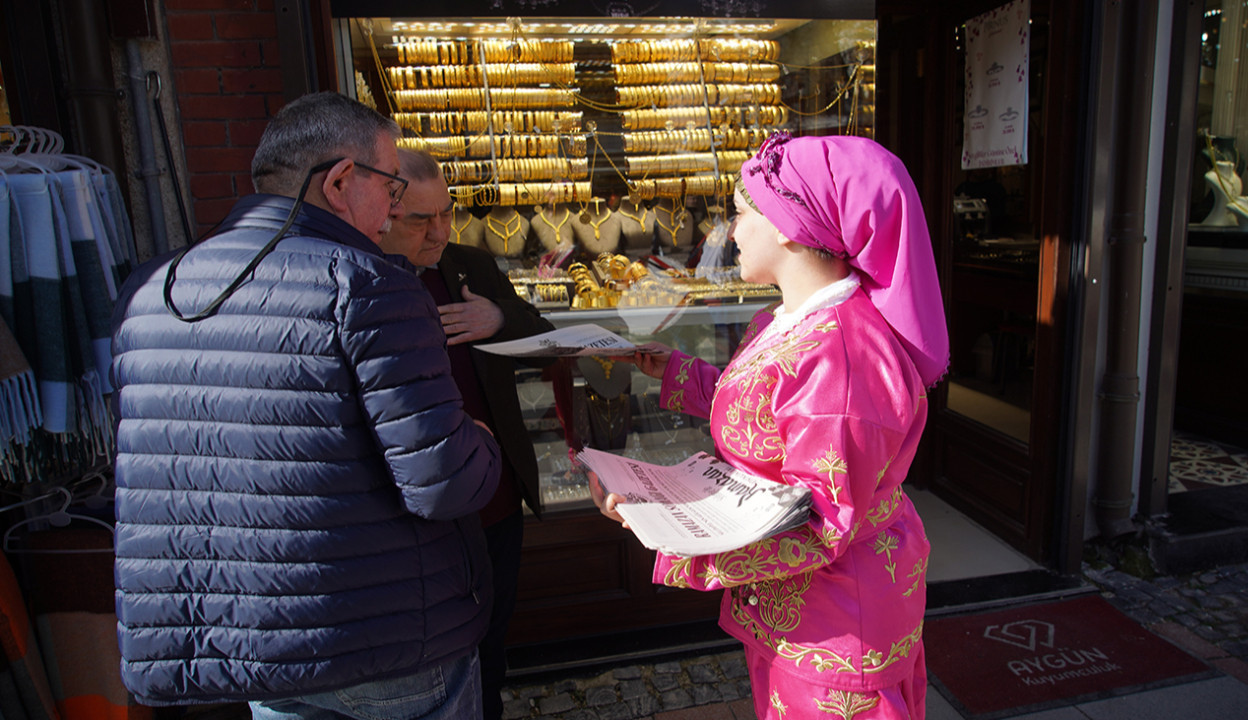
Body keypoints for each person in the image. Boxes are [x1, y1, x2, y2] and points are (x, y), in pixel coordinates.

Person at [110, 91, 502, 719]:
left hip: (246, 638)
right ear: (343, 181)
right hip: (382, 639)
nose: (395, 211)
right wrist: (480, 438)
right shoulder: (372, 285)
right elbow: (445, 483)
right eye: (393, 188)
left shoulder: (155, 286)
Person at [591, 132, 948, 719]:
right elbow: (771, 414)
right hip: (801, 609)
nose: (729, 232)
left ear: (787, 225)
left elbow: (818, 525)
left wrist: (661, 526)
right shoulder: (790, 321)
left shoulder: (842, 354)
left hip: (836, 622)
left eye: (739, 213)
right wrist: (676, 371)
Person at [381, 147, 555, 720]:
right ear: (384, 211)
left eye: (447, 214)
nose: (439, 232)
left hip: (495, 497)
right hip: (416, 511)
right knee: (431, 654)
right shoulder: (364, 278)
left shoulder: (468, 266)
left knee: (491, 640)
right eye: (420, 220)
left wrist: (500, 319)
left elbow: (543, 332)